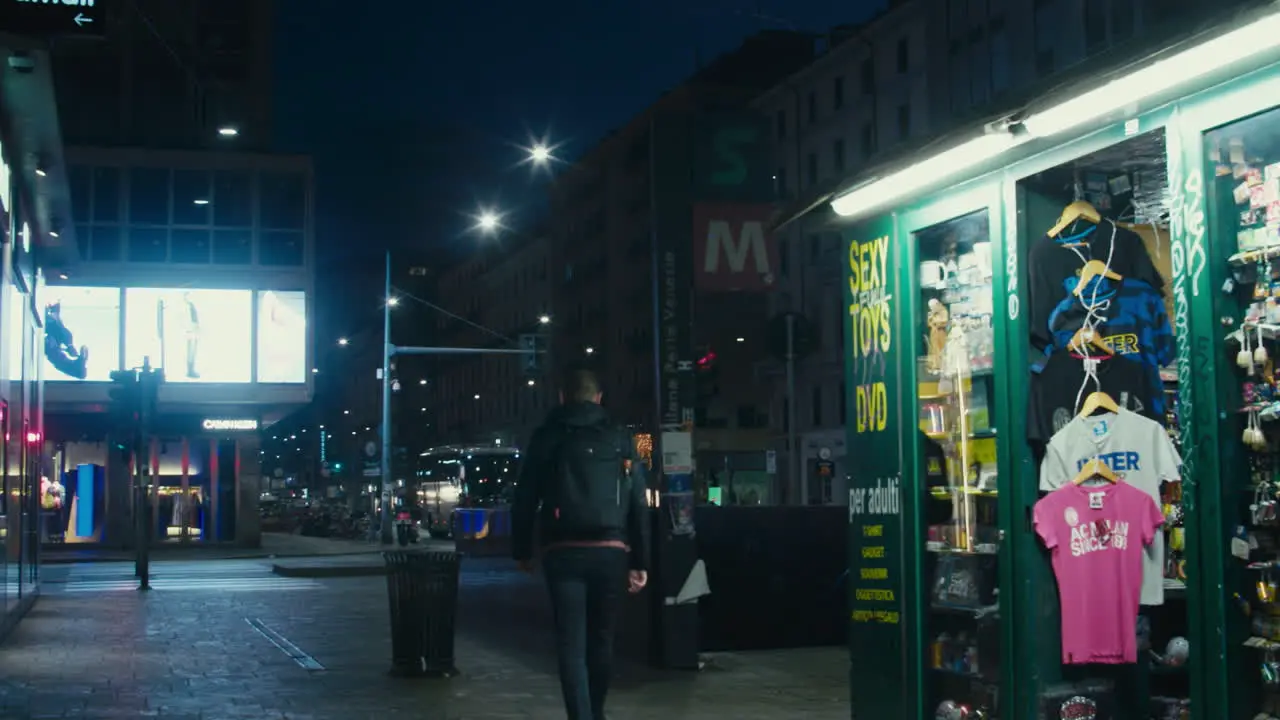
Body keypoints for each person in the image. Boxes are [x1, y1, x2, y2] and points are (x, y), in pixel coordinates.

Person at [512, 367, 650, 720]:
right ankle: (597, 712)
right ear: (599, 398)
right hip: (611, 551)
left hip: (563, 550)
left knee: (570, 643)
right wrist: (641, 562)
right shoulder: (620, 437)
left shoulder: (546, 436)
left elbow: (525, 496)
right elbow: (638, 502)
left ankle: (581, 716)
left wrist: (522, 550)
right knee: (602, 640)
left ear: (562, 397)